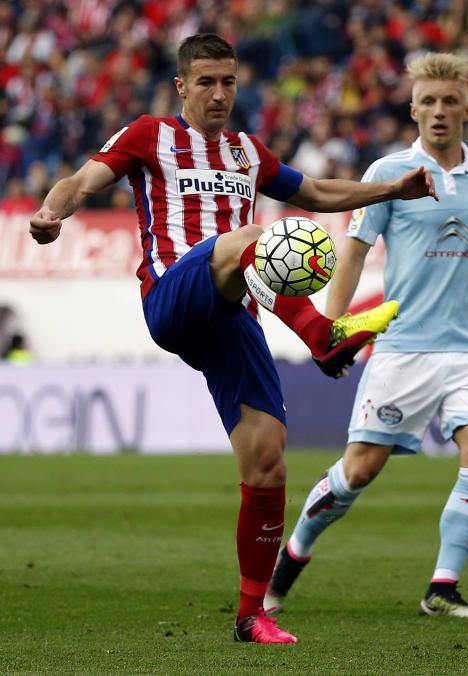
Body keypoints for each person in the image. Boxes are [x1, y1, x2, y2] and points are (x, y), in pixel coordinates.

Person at [27, 33, 437, 644]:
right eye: (206, 82)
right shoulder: (150, 135)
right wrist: (51, 212)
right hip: (173, 295)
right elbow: (81, 181)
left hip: (232, 315)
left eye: (229, 82)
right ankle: (321, 335)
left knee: (268, 461)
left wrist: (392, 189)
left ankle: (252, 615)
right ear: (182, 87)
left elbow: (320, 194)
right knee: (251, 239)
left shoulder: (248, 152)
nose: (219, 94)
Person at [264, 53, 468, 619]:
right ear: (413, 109)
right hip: (401, 348)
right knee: (359, 470)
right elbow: (354, 253)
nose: (439, 112)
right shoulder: (388, 174)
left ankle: (442, 587)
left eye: (449, 101)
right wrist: (331, 332)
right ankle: (293, 554)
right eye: (429, 102)